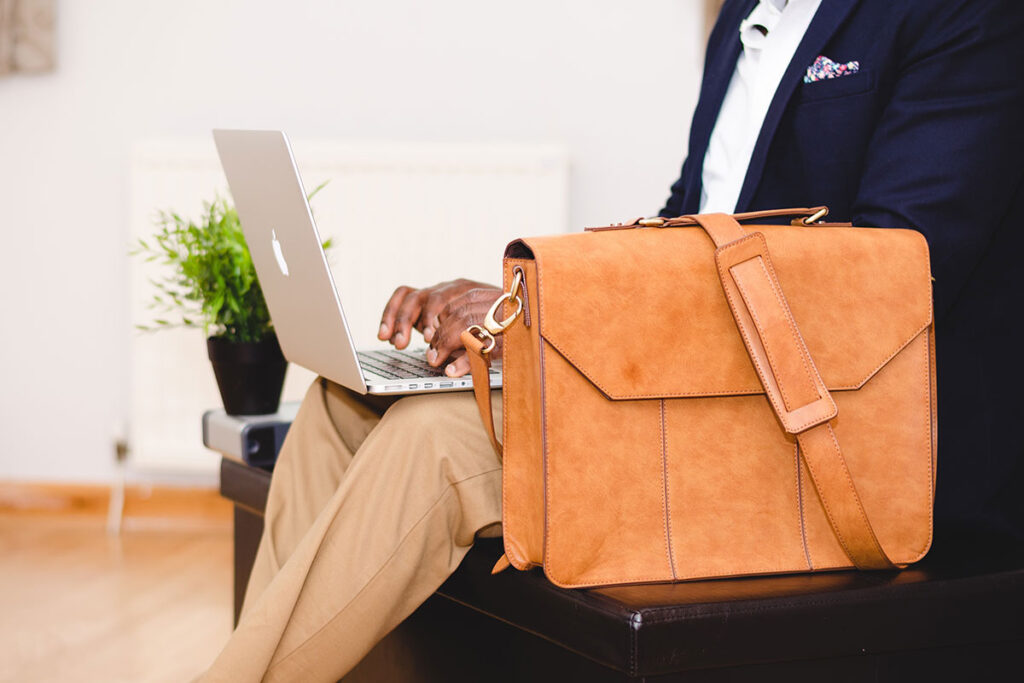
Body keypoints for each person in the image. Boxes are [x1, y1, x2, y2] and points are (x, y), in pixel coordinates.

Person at [202, 0, 1024, 680]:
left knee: (437, 442)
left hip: (839, 440)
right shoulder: (741, 17)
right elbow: (681, 225)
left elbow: (879, 281)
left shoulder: (965, 17)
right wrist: (522, 310)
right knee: (340, 405)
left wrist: (555, 315)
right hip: (707, 400)